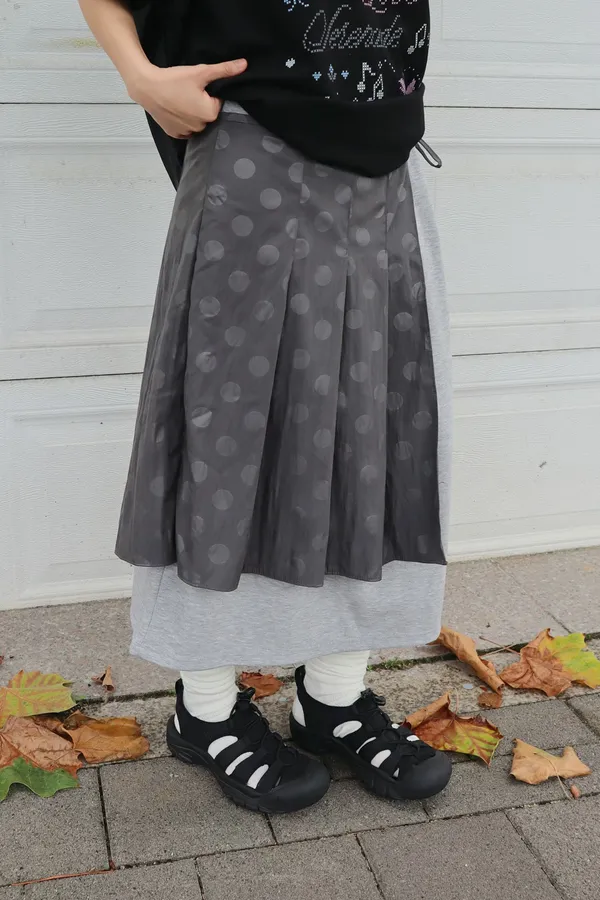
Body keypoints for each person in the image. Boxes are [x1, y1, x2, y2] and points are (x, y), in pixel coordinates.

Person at [78, 0, 453, 814]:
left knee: (369, 440)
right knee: (228, 444)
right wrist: (139, 75)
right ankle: (206, 710)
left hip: (385, 164)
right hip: (253, 153)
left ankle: (334, 699)